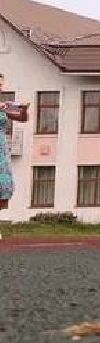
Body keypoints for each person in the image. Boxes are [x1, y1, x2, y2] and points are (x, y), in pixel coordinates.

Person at [0, 80, 29, 239]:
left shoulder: (4, 106)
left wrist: (23, 109)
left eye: (1, 85)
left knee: (2, 186)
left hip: (1, 148)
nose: (1, 88)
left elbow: (23, 118)